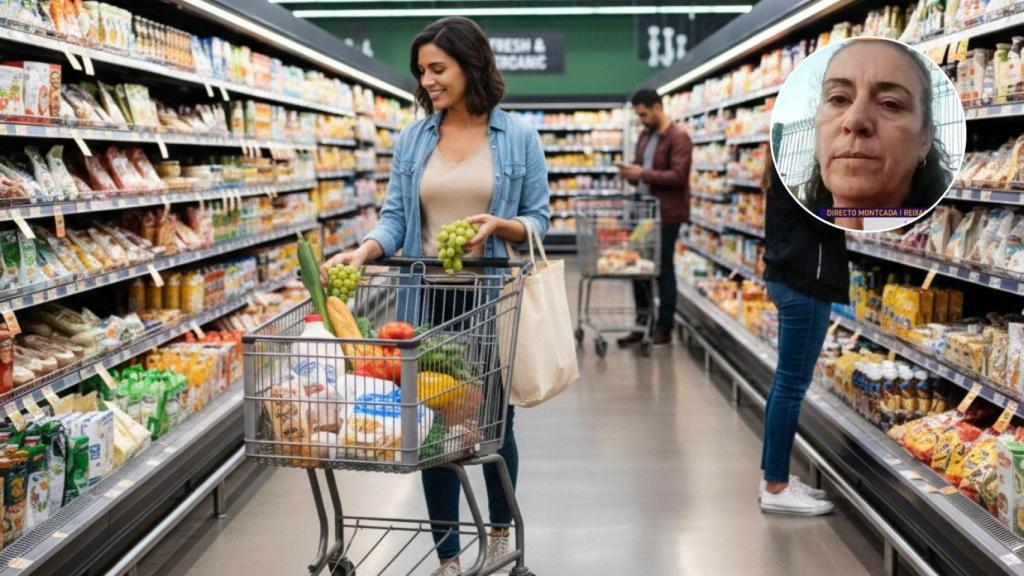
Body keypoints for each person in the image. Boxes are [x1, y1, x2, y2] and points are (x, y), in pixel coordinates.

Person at [320, 16, 550, 576]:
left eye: (438, 69)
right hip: (425, 301)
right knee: (430, 426)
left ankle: (499, 536)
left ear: (472, 66)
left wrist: (500, 225)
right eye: (422, 71)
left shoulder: (517, 135)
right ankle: (448, 555)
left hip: (492, 299)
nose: (427, 82)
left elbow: (539, 216)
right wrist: (364, 251)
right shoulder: (414, 137)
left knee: (495, 426)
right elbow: (396, 217)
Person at [760, 142, 849, 516]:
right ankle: (776, 488)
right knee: (791, 384)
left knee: (786, 382)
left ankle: (774, 475)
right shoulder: (805, 172)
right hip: (804, 285)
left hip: (790, 277)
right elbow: (831, 217)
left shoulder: (788, 162)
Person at [799, 38, 953, 231]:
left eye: (890, 103)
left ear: (925, 139)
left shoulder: (941, 236)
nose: (855, 120)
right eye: (838, 99)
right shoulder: (797, 231)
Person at [616, 88, 692, 348]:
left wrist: (642, 174)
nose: (641, 119)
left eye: (644, 113)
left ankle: (664, 328)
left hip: (667, 215)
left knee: (662, 270)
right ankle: (641, 325)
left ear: (657, 107)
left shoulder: (679, 138)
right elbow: (641, 168)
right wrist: (630, 173)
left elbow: (678, 177)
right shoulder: (645, 135)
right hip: (644, 214)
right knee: (638, 270)